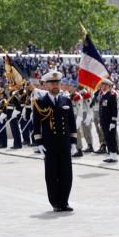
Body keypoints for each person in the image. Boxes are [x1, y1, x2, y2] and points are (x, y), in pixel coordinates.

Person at [32, 70, 76, 212]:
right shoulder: (40, 102)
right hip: (49, 144)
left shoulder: (66, 100)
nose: (56, 85)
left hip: (64, 143)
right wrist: (39, 143)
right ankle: (55, 202)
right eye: (52, 83)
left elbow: (71, 122)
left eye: (57, 83)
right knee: (52, 174)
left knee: (66, 174)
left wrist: (74, 142)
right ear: (46, 85)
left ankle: (64, 201)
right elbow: (36, 124)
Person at [98, 77, 119, 163]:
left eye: (104, 84)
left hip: (110, 121)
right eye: (102, 84)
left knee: (111, 138)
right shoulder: (104, 95)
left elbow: (114, 110)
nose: (102, 86)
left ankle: (114, 156)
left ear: (109, 85)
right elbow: (102, 109)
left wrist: (113, 121)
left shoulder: (111, 95)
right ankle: (110, 154)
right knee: (107, 138)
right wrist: (100, 121)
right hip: (104, 121)